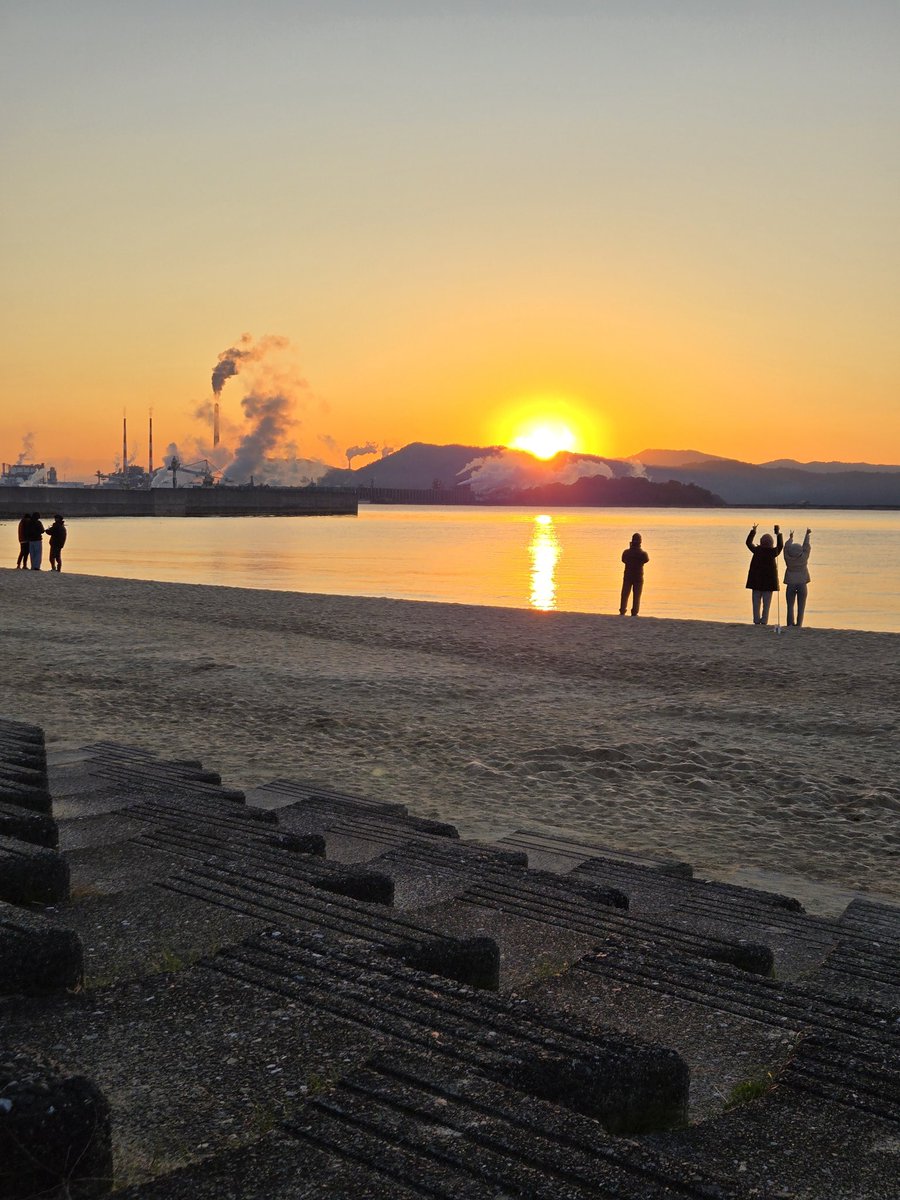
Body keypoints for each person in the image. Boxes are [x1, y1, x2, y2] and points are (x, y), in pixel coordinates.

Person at [745, 523, 783, 625]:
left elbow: (748, 543)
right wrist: (778, 534)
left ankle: (756, 621)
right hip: (768, 584)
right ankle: (764, 621)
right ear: (771, 543)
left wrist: (753, 531)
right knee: (766, 605)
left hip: (756, 583)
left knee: (756, 604)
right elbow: (780, 546)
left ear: (761, 542)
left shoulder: (757, 550)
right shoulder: (773, 552)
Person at [783, 528, 812, 627]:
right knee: (801, 606)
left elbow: (785, 548)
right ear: (800, 551)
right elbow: (806, 546)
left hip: (790, 583)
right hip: (802, 583)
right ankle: (799, 624)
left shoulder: (787, 557)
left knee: (790, 606)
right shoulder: (804, 557)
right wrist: (807, 534)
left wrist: (790, 538)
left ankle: (790, 624)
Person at [620, 532, 649, 616]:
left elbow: (623, 560)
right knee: (636, 595)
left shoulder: (626, 552)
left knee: (625, 594)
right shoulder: (643, 554)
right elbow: (646, 560)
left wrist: (631, 548)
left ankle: (622, 610)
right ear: (640, 542)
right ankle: (634, 612)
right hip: (638, 576)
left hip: (628, 575)